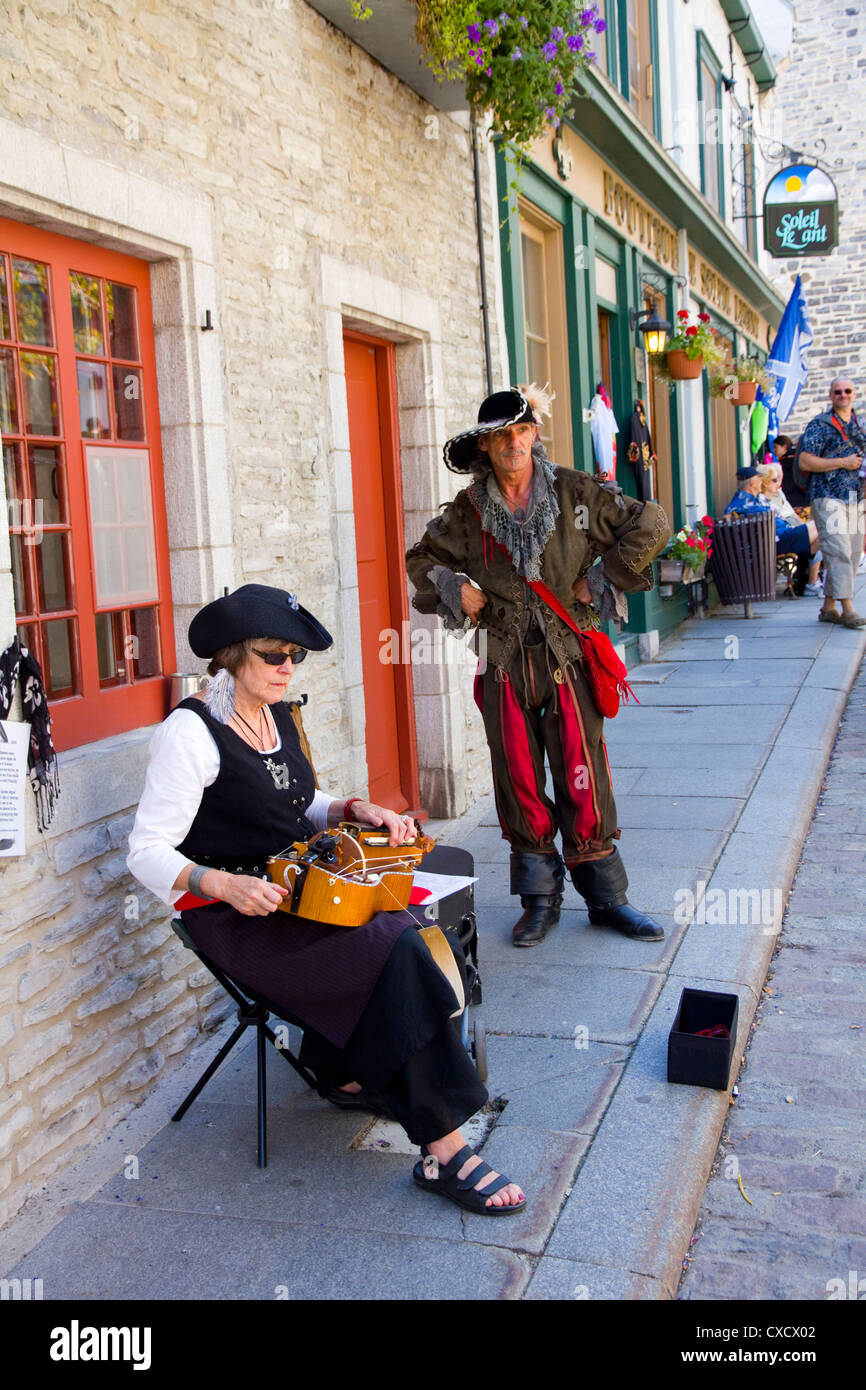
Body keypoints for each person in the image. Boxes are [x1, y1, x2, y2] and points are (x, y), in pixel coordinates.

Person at [127, 584, 525, 1216]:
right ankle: (444, 1148)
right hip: (236, 913)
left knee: (417, 921)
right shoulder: (191, 732)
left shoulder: (276, 713)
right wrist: (222, 883)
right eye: (272, 654)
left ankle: (342, 1070)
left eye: (295, 655)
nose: (288, 666)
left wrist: (350, 807)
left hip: (303, 887)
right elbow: (145, 849)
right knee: (393, 953)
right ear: (231, 657)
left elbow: (294, 802)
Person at [406, 385, 671, 949]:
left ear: (534, 435)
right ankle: (539, 902)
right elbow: (420, 561)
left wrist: (599, 580)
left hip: (568, 657)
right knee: (518, 778)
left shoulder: (577, 492)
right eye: (500, 435)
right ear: (485, 447)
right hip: (502, 662)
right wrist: (454, 585)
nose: (512, 443)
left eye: (521, 430)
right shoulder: (465, 513)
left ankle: (608, 900)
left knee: (582, 770)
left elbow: (652, 526)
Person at [797, 376, 866, 628]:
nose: (843, 395)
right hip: (826, 494)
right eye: (838, 391)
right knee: (838, 550)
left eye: (847, 391)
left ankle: (828, 607)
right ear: (831, 395)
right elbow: (805, 461)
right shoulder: (820, 425)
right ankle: (847, 608)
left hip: (855, 496)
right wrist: (842, 462)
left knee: (853, 551)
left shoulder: (860, 426)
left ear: (854, 394)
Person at [724, 466, 815, 561]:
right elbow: (728, 518)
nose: (761, 482)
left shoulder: (750, 500)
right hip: (776, 541)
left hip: (776, 540)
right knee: (821, 528)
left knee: (824, 534)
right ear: (752, 482)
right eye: (759, 479)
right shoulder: (745, 504)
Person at [758, 460, 823, 595]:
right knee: (822, 526)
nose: (779, 483)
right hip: (781, 538)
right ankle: (813, 583)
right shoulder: (759, 501)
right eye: (775, 480)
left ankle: (813, 582)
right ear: (764, 482)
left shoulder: (770, 498)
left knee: (823, 537)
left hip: (786, 533)